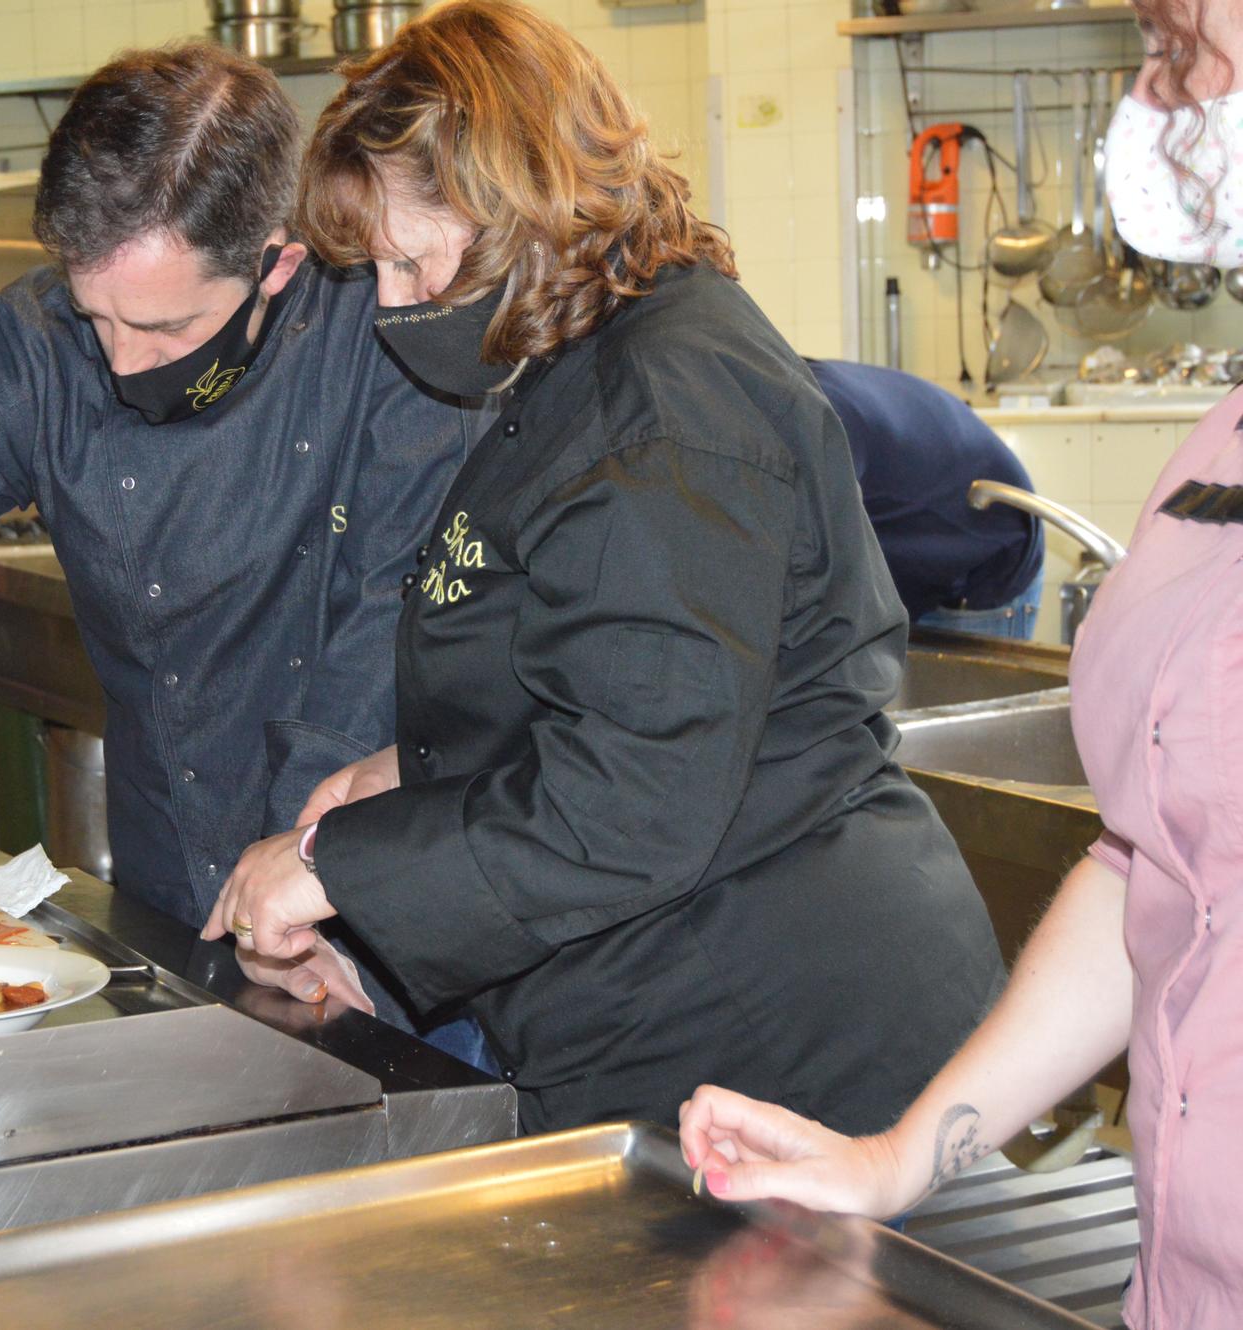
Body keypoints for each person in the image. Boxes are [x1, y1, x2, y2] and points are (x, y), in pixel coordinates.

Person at [202, 0, 1005, 1137]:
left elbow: (631, 797)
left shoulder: (662, 413)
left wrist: (342, 871)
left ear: (512, 205)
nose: (389, 305)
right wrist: (411, 771)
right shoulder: (582, 361)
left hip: (776, 1034)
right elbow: (603, 671)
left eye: (407, 262)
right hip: (673, 1010)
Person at [0, 46, 489, 1044]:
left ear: (277, 262)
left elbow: (378, 642)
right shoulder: (40, 348)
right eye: (93, 312)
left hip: (388, 929)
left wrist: (312, 878)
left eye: (159, 328)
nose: (116, 362)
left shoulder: (382, 336)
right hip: (176, 916)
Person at [681, 3, 1243, 1324]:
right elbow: (1157, 864)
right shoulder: (1218, 443)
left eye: (1183, 48)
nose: (1153, 95)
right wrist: (899, 1153)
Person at [808, 359, 1045, 639]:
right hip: (919, 554)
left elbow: (813, 561)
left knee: (953, 684)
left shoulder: (817, 417)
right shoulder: (788, 391)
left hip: (985, 556)